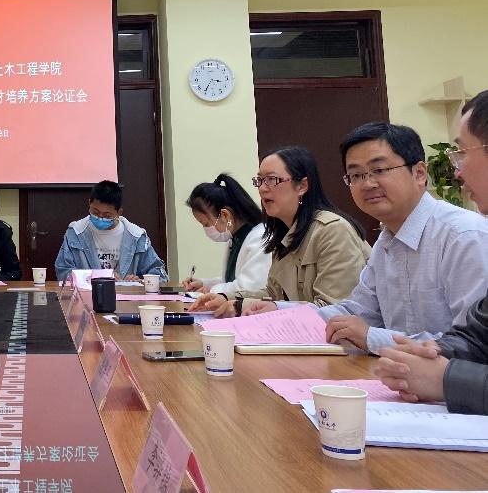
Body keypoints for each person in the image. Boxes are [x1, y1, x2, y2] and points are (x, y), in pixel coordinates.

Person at [315, 122, 488, 353]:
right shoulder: (386, 241)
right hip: (399, 372)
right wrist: (281, 315)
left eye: (379, 170)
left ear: (419, 173)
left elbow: (471, 345)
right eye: (356, 175)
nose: (367, 184)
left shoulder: (464, 236)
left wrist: (372, 338)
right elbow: (357, 311)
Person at [376, 91, 488, 414]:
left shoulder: (465, 232)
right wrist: (429, 351)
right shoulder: (384, 240)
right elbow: (479, 336)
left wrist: (445, 379)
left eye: (462, 153)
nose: (457, 172)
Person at [191, 146, 369, 317]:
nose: (262, 188)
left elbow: (334, 310)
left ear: (302, 186)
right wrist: (226, 297)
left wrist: (247, 305)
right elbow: (273, 293)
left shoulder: (333, 231)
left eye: (272, 179)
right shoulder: (283, 232)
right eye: (259, 180)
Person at [54, 180, 166, 282]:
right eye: (95, 212)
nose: (100, 218)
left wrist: (141, 281)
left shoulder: (136, 236)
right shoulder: (76, 233)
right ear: (89, 204)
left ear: (119, 212)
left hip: (127, 295)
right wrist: (96, 276)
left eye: (107, 215)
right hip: (88, 295)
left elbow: (159, 274)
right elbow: (63, 272)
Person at [181, 174, 268, 297]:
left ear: (225, 215)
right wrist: (204, 284)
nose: (206, 229)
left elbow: (250, 288)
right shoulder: (236, 239)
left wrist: (210, 290)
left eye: (206, 224)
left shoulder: (260, 238)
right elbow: (232, 281)